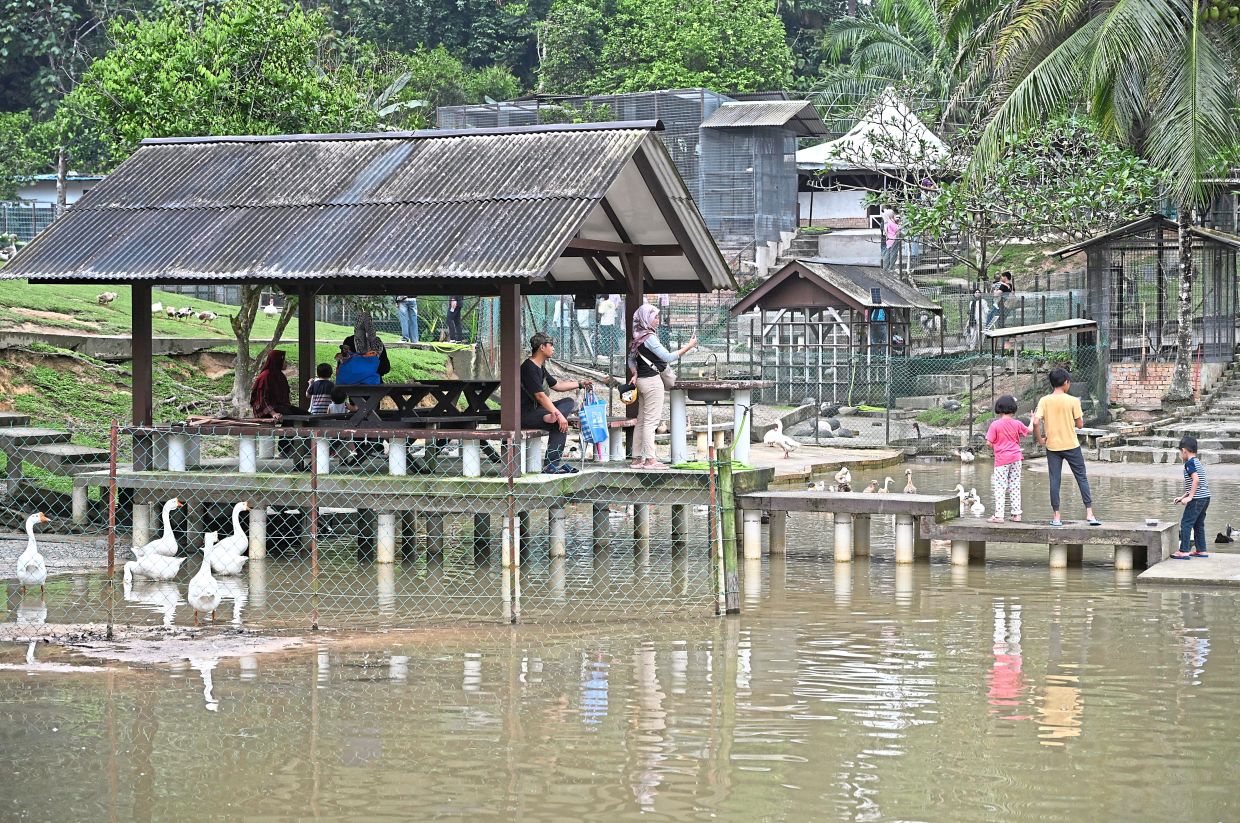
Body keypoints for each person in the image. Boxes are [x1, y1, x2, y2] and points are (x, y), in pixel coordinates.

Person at [628, 304, 698, 470]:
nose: (658, 321)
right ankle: (650, 460)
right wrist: (689, 346)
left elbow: (630, 359)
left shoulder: (637, 336)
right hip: (652, 382)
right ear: (646, 318)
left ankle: (637, 459)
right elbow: (667, 357)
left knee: (642, 421)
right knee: (651, 422)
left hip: (641, 382)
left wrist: (634, 373)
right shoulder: (649, 337)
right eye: (655, 317)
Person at [1031, 367, 1101, 526]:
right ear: (1065, 383)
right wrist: (1077, 419)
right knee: (1081, 477)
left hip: (1053, 447)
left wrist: (1040, 439)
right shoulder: (1073, 401)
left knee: (1054, 480)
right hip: (1071, 445)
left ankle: (1056, 516)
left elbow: (1035, 421)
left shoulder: (1044, 400)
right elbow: (1080, 425)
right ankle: (1090, 513)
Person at [521, 332, 591, 474]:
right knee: (559, 424)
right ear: (542, 347)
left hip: (539, 410)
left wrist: (580, 384)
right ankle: (550, 465)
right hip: (525, 413)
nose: (553, 348)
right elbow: (540, 396)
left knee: (568, 401)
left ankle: (550, 417)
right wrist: (558, 415)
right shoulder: (529, 368)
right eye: (551, 345)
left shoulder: (540, 366)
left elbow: (557, 385)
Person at [985, 394, 1030, 522]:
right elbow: (1028, 431)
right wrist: (1033, 420)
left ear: (999, 408)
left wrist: (995, 448)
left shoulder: (995, 425)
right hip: (1016, 458)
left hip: (1002, 460)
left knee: (1000, 486)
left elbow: (988, 442)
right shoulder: (1017, 423)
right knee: (1015, 485)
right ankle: (1016, 514)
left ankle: (999, 515)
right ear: (1013, 408)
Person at [1171, 435, 1211, 559]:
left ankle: (1184, 550)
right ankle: (1201, 550)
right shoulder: (1197, 462)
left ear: (1184, 451)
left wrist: (1190, 497)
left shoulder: (1189, 463)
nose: (1179, 455)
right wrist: (1182, 496)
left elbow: (1196, 480)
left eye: (1179, 452)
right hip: (1205, 497)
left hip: (1197, 498)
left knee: (1186, 523)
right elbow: (1194, 485)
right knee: (1198, 524)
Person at [250, 350, 304, 419]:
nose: (286, 363)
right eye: (284, 360)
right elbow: (262, 399)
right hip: (266, 410)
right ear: (277, 361)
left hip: (280, 406)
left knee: (304, 414)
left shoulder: (280, 375)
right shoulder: (266, 376)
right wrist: (273, 413)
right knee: (291, 417)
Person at [337, 313, 385, 386]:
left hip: (352, 384)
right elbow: (386, 367)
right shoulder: (378, 342)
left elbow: (342, 363)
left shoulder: (349, 341)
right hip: (374, 385)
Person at [881, 208, 901, 273]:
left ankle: (886, 268)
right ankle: (891, 268)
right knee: (893, 254)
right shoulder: (891, 222)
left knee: (888, 253)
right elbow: (897, 229)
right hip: (893, 239)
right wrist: (901, 225)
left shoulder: (886, 222)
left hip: (889, 239)